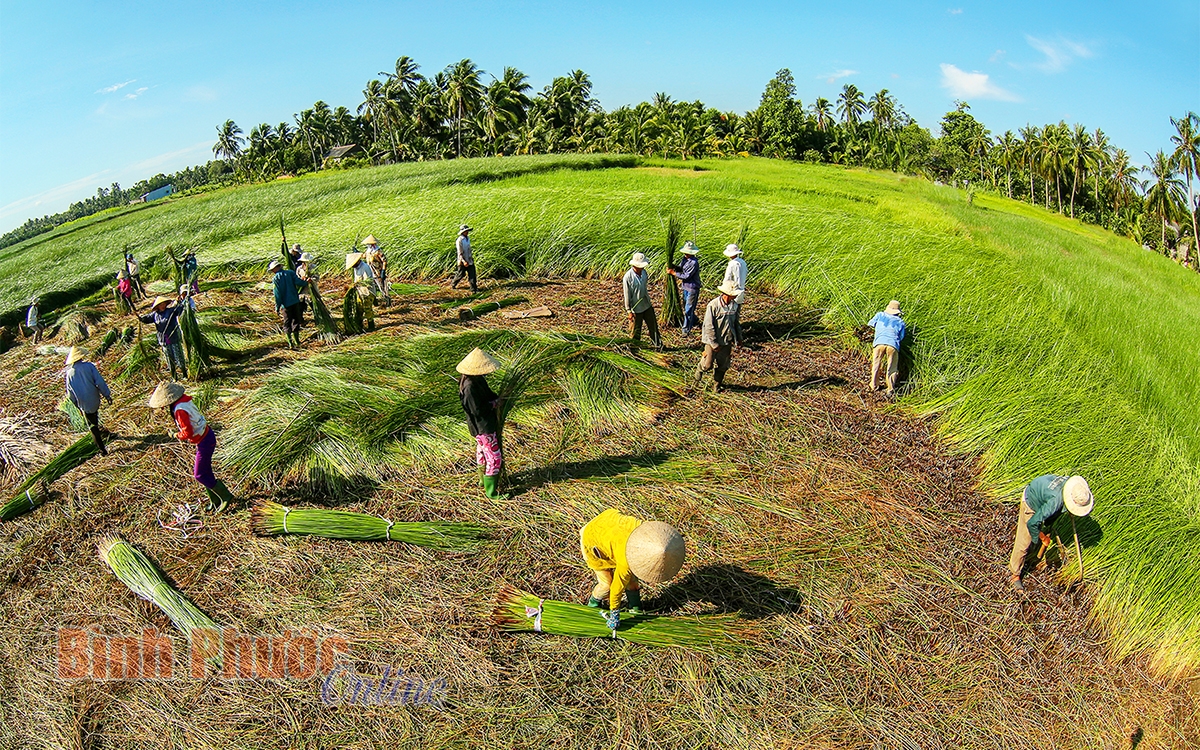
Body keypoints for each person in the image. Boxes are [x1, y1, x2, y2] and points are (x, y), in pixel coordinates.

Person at [580, 508, 685, 625]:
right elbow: (616, 589)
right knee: (607, 586)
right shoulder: (626, 560)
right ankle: (593, 604)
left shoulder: (648, 531)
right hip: (592, 537)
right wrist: (614, 613)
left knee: (632, 582)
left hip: (609, 522)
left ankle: (634, 606)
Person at [148, 381, 234, 513]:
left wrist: (175, 435)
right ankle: (215, 500)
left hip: (205, 441)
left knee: (199, 475)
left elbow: (187, 432)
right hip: (206, 436)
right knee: (206, 472)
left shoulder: (179, 410)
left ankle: (225, 496)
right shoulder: (184, 400)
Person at [1009, 475, 1094, 593]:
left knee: (1045, 524)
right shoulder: (1054, 502)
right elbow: (1032, 523)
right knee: (1024, 541)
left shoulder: (1072, 487)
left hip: (1043, 492)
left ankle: (1034, 550)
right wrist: (1043, 538)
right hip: (1031, 500)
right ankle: (1015, 574)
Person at [457, 348, 509, 501]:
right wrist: (495, 404)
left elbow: (487, 394)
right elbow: (477, 410)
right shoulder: (469, 387)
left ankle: (482, 480)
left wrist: (497, 398)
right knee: (494, 457)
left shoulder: (476, 379)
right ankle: (491, 492)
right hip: (482, 427)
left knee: (482, 453)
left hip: (480, 426)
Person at [694, 280, 744, 393]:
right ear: (727, 294)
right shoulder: (713, 305)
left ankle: (716, 386)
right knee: (708, 365)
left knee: (723, 365)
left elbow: (736, 323)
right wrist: (714, 344)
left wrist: (739, 338)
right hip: (712, 341)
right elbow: (708, 326)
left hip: (726, 340)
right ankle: (698, 373)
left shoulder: (734, 306)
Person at [64, 347, 113, 456]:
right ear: (81, 356)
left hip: (83, 403)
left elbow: (70, 394)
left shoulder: (69, 374)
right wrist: (107, 395)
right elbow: (99, 382)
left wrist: (77, 406)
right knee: (94, 416)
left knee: (92, 426)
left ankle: (102, 449)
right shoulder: (89, 366)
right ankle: (101, 434)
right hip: (94, 399)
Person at [140, 296, 187, 380]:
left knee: (178, 356)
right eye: (160, 304)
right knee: (169, 358)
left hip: (173, 337)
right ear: (157, 306)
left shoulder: (170, 311)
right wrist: (141, 318)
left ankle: (184, 374)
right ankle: (174, 376)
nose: (162, 305)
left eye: (163, 303)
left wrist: (181, 302)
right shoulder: (155, 315)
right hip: (164, 340)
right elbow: (146, 319)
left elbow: (180, 309)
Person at [867, 300, 907, 397]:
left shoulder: (880, 315)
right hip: (892, 345)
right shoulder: (900, 322)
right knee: (892, 367)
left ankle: (873, 385)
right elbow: (901, 337)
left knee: (876, 364)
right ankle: (890, 389)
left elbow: (870, 324)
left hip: (879, 342)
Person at [622, 252, 661, 347]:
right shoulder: (628, 277)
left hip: (646, 305)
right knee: (636, 331)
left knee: (653, 327)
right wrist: (629, 311)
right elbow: (627, 295)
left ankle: (658, 345)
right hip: (636, 308)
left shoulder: (644, 273)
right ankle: (634, 348)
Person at [270, 259, 308, 348]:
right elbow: (299, 282)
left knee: (287, 323)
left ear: (276, 268)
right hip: (295, 301)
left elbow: (277, 294)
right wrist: (306, 282)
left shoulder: (276, 278)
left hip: (286, 304)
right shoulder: (290, 273)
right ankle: (297, 342)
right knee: (295, 321)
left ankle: (291, 343)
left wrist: (277, 306)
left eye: (273, 269)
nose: (272, 271)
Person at [667, 241, 702, 335]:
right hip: (685, 287)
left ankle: (686, 330)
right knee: (686, 306)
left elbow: (686, 276)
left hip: (692, 288)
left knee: (688, 309)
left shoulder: (694, 262)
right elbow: (682, 269)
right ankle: (694, 320)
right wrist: (673, 266)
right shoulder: (685, 259)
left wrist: (673, 273)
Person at [345, 252, 379, 330]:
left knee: (367, 309)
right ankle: (359, 325)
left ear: (357, 261)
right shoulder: (355, 268)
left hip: (368, 292)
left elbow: (368, 281)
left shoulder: (365, 267)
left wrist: (358, 284)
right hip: (360, 292)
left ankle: (371, 326)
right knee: (359, 308)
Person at [451, 225, 478, 293]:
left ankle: (473, 289)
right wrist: (464, 261)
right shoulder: (459, 240)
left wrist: (470, 258)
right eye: (466, 231)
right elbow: (460, 253)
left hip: (469, 259)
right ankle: (453, 284)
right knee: (460, 274)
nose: (467, 232)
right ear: (462, 232)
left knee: (472, 274)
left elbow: (469, 249)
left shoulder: (467, 238)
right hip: (463, 261)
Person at [362, 236, 390, 303]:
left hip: (378, 272)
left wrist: (383, 271)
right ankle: (374, 301)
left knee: (382, 288)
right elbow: (363, 256)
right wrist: (356, 252)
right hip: (370, 272)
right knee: (371, 287)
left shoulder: (378, 251)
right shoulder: (368, 251)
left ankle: (387, 301)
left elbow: (384, 261)